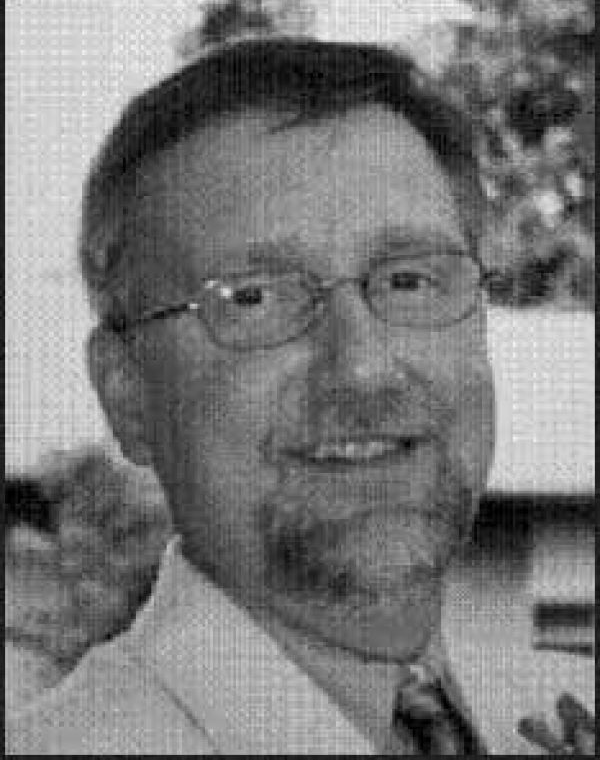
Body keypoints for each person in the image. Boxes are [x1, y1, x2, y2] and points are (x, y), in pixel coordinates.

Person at [6, 38, 594, 755]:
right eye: (253, 298)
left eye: (409, 280)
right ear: (127, 393)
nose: (363, 367)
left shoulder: (559, 710)